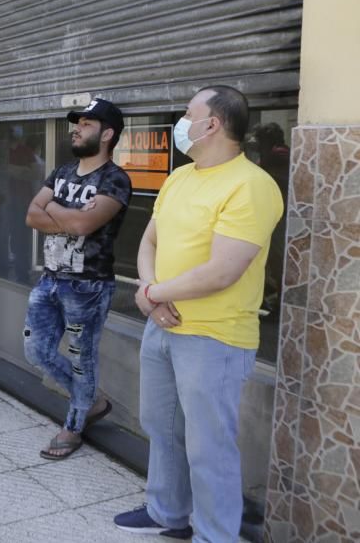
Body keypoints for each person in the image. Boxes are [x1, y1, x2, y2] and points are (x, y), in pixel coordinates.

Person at [113, 86, 283, 542]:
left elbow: (223, 271)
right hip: (162, 324)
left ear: (213, 124)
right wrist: (151, 295)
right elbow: (149, 241)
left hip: (215, 338)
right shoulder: (180, 178)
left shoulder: (251, 186)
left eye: (189, 114)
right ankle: (166, 511)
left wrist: (152, 292)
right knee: (162, 427)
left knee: (209, 447)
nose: (181, 123)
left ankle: (214, 534)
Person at [24, 98, 132, 460]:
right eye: (77, 123)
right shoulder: (61, 172)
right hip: (50, 278)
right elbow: (31, 215)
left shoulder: (115, 179)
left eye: (86, 124)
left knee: (82, 359)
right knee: (36, 351)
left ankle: (73, 425)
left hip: (89, 286)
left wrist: (52, 208)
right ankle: (91, 401)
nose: (76, 129)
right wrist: (67, 214)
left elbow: (85, 224)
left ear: (107, 134)